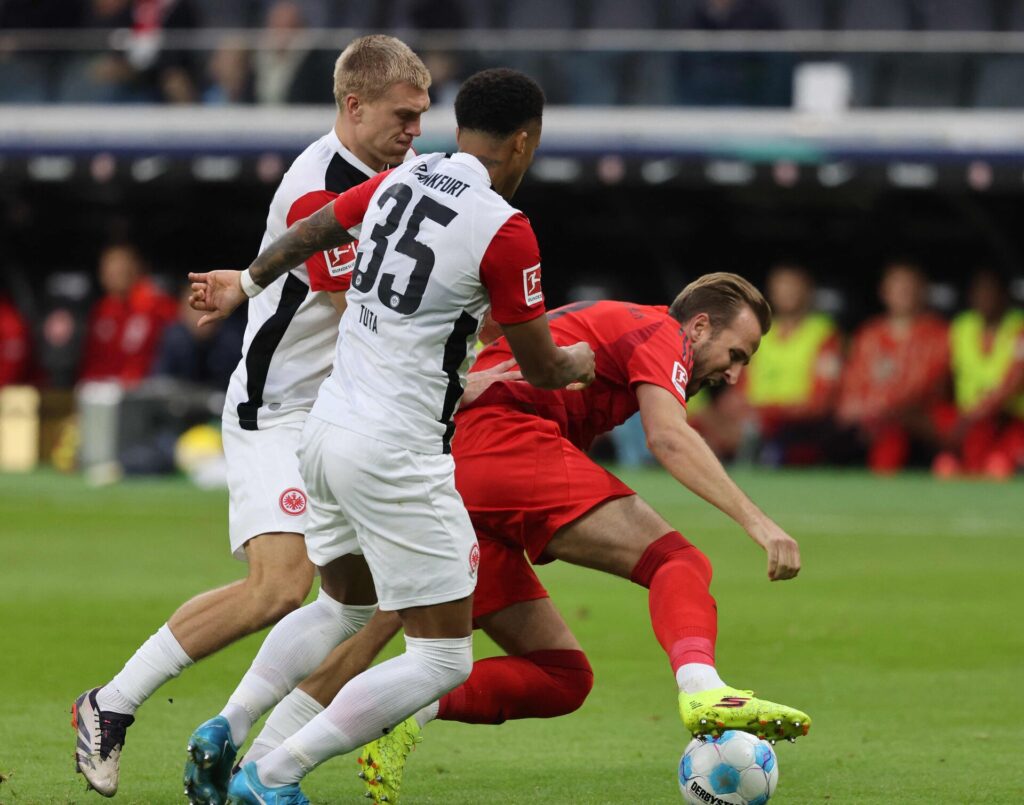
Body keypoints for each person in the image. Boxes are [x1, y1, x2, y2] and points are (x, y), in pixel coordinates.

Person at [185, 68, 595, 804]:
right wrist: (577, 362)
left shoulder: (405, 180)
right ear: (524, 141)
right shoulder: (506, 229)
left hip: (324, 433)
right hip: (397, 454)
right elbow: (538, 364)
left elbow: (314, 230)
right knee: (442, 658)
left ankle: (235, 725)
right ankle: (271, 774)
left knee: (345, 604)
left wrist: (246, 284)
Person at [241, 276, 812, 805]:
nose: (735, 374)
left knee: (557, 676)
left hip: (456, 470)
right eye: (737, 355)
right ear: (700, 326)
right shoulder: (661, 332)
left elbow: (515, 340)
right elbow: (667, 438)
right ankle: (703, 688)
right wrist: (759, 523)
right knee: (676, 560)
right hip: (500, 442)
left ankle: (282, 762)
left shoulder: (615, 325)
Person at [72, 35, 433, 798]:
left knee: (359, 601)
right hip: (279, 411)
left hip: (338, 418)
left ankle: (236, 744)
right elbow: (362, 303)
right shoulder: (319, 189)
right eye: (403, 115)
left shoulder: (395, 175)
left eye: (424, 115)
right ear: (353, 104)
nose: (416, 129)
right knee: (278, 587)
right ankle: (110, 703)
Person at [835, 261, 949, 473]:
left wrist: (882, 407)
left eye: (909, 288)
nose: (903, 293)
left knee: (894, 430)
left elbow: (925, 385)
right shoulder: (868, 334)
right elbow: (852, 384)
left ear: (922, 291)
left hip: (919, 422)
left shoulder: (937, 334)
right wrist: (861, 410)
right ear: (884, 292)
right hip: (868, 422)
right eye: (897, 288)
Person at [736, 263, 842, 465]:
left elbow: (823, 397)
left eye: (793, 288)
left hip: (799, 422)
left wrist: (777, 412)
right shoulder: (758, 333)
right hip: (755, 420)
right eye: (782, 288)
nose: (788, 294)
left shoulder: (823, 333)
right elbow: (740, 387)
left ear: (807, 291)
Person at [934, 269, 1024, 478]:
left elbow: (1016, 378)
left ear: (1004, 295)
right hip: (971, 418)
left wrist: (978, 411)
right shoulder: (962, 326)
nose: (985, 298)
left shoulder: (1019, 326)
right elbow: (942, 374)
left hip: (1010, 417)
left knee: (999, 465)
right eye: (980, 292)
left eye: (990, 291)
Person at [78, 243, 178, 387]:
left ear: (136, 269)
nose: (115, 274)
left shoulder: (156, 304)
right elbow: (91, 361)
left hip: (144, 390)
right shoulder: (100, 311)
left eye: (121, 268)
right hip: (101, 390)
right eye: (109, 270)